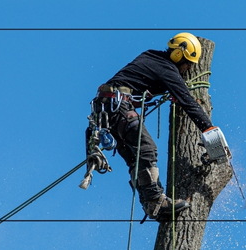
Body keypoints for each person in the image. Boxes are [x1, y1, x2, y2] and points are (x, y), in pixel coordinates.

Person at [84, 32, 218, 219]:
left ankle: (150, 204)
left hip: (106, 111)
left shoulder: (151, 56)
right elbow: (188, 101)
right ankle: (155, 201)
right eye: (188, 63)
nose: (188, 69)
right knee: (147, 149)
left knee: (135, 160)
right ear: (178, 55)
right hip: (117, 107)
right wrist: (210, 131)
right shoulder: (166, 68)